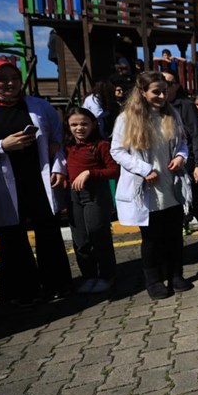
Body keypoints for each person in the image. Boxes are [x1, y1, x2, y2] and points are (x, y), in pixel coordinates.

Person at [0, 58, 71, 306]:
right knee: (12, 236)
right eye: (1, 79)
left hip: (38, 178)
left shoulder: (38, 105)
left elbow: (57, 136)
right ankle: (22, 291)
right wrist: (2, 146)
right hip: (3, 182)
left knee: (48, 230)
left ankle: (57, 285)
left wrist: (59, 167)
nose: (10, 83)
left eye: (14, 78)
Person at [111, 72, 194, 300]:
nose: (161, 96)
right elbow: (117, 151)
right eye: (155, 91)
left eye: (164, 91)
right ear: (142, 92)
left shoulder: (171, 113)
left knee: (174, 234)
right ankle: (154, 280)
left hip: (171, 184)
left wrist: (180, 157)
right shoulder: (127, 118)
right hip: (147, 188)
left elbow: (183, 143)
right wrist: (143, 169)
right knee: (152, 239)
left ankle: (175, 274)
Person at [163, 72, 198, 255]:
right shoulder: (159, 107)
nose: (165, 86)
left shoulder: (186, 106)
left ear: (176, 86)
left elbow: (197, 135)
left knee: (197, 204)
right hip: (167, 165)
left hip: (188, 162)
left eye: (168, 82)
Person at [63, 107, 120, 293]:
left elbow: (113, 170)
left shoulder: (101, 145)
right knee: (80, 239)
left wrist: (90, 173)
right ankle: (89, 275)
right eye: (74, 124)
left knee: (98, 234)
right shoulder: (68, 147)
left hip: (95, 194)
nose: (79, 128)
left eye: (84, 123)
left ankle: (107, 275)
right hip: (74, 196)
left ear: (93, 124)